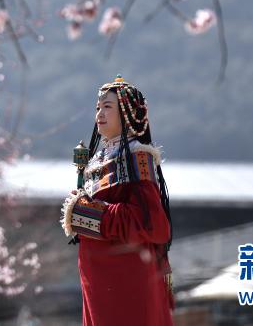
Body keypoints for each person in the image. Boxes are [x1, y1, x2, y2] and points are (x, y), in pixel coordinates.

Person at [59, 75, 175, 326]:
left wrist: (88, 212)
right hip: (101, 278)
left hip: (126, 278)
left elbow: (152, 223)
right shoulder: (100, 159)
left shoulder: (136, 159)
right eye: (97, 107)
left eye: (107, 107)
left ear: (127, 113)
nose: (99, 113)